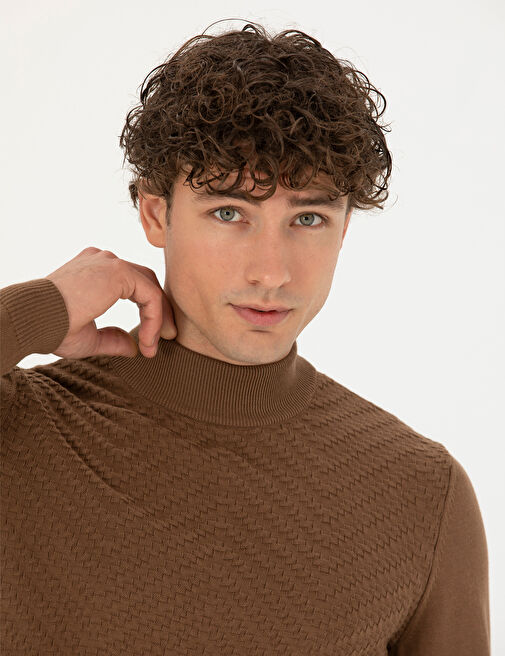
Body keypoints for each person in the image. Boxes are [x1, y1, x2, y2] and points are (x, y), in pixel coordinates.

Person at [0, 19, 490, 655]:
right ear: (155, 214)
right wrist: (43, 306)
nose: (271, 272)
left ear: (344, 229)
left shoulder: (420, 493)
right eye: (229, 213)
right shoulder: (23, 428)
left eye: (308, 218)